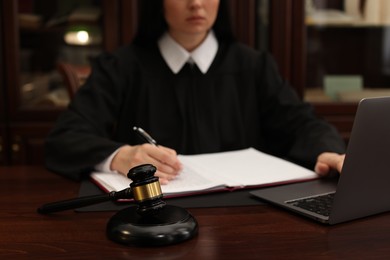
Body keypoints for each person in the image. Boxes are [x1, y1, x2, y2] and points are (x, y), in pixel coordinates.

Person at [45, 0, 346, 184]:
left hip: (244, 217)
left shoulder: (252, 65)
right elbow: (66, 137)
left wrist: (328, 152)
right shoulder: (122, 66)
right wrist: (120, 156)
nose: (197, 3)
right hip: (153, 218)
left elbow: (301, 123)